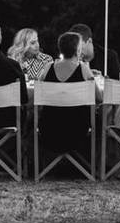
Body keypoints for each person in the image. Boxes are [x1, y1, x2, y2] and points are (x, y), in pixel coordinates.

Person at [38, 31, 96, 164]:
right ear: (78, 50)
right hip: (77, 131)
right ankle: (89, 165)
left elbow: (38, 95)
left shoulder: (47, 68)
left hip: (48, 130)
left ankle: (37, 165)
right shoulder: (83, 70)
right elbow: (98, 97)